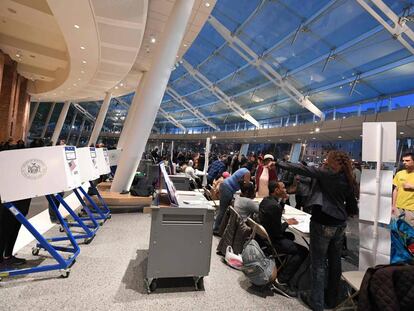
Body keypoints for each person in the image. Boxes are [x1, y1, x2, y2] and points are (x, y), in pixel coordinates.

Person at [276, 150, 358, 310]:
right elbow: (351, 204)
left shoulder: (327, 174)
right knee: (335, 263)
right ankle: (331, 300)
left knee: (318, 263)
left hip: (322, 221)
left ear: (333, 160)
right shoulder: (347, 177)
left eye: (328, 158)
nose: (326, 160)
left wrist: (279, 163)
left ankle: (317, 302)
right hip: (339, 224)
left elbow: (302, 169)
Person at [259, 181, 308, 298]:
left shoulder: (266, 201)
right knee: (303, 251)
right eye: (283, 188)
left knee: (291, 236)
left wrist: (284, 201)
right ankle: (281, 281)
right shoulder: (274, 206)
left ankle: (284, 266)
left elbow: (277, 214)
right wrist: (286, 223)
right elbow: (278, 232)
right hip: (273, 241)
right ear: (276, 190)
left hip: (265, 239)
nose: (285, 190)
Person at [213, 167, 250, 233]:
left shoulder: (243, 170)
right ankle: (216, 229)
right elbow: (246, 184)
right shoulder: (247, 172)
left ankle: (218, 227)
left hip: (225, 185)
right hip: (227, 188)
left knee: (223, 209)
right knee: (223, 210)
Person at [392, 152, 414, 226]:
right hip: (398, 208)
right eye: (403, 160)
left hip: (411, 209)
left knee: (410, 232)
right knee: (398, 230)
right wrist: (393, 205)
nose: (404, 162)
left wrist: (411, 186)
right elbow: (396, 190)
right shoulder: (399, 173)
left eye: (407, 161)